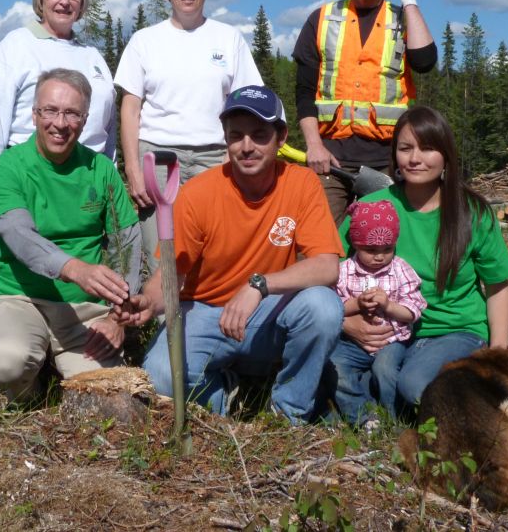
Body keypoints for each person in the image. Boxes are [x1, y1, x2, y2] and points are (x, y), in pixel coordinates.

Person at [115, 85, 344, 424]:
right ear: (225, 138)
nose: (247, 147)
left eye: (259, 135)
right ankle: (226, 394)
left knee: (323, 307)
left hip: (266, 314)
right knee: (161, 378)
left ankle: (287, 414)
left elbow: (327, 266)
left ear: (281, 138)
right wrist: (148, 302)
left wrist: (259, 285)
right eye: (236, 136)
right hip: (206, 312)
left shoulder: (302, 184)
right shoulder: (198, 194)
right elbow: (173, 274)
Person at [0, 0, 117, 402]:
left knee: (73, 280)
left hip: (83, 178)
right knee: (10, 270)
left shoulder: (92, 57)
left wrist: (109, 175)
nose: (64, 1)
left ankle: (60, 350)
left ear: (82, 3)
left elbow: (108, 122)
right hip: (26, 178)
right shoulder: (18, 44)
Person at [330, 105, 508, 414]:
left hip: (454, 328)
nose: (415, 158)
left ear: (446, 155)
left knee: (414, 386)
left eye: (428, 148)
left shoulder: (472, 211)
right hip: (392, 328)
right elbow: (328, 269)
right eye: (405, 148)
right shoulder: (371, 207)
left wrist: (497, 350)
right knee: (326, 362)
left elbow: (498, 286)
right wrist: (347, 322)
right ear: (395, 155)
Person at [0, 69, 141, 402]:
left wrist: (117, 317)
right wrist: (75, 269)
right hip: (18, 296)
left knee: (110, 393)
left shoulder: (101, 169)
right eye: (50, 110)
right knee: (6, 361)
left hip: (84, 308)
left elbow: (127, 243)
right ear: (34, 114)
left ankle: (61, 360)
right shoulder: (5, 169)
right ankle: (28, 391)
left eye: (71, 113)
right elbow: (19, 236)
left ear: (84, 119)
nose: (60, 123)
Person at [114, 0, 262, 272]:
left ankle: (210, 322)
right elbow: (130, 108)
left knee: (216, 254)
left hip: (216, 157)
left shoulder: (228, 39)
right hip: (158, 160)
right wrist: (134, 170)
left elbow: (247, 105)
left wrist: (232, 159)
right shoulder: (144, 41)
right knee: (163, 258)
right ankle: (170, 321)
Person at [294, 0, 437, 225]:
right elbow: (304, 92)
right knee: (322, 243)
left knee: (382, 243)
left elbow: (425, 62)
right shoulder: (321, 19)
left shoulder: (402, 19)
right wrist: (314, 146)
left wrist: (409, 1)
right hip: (331, 159)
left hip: (386, 161)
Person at [330, 199, 426, 428]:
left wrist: (389, 306)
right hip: (352, 341)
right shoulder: (344, 272)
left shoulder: (401, 269)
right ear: (356, 244)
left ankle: (392, 418)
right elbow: (334, 306)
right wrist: (357, 304)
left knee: (385, 370)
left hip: (391, 340)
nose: (380, 256)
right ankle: (363, 416)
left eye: (387, 249)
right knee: (334, 365)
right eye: (370, 250)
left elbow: (414, 310)